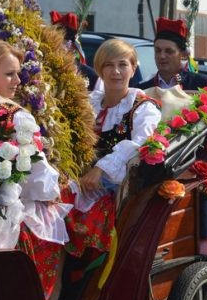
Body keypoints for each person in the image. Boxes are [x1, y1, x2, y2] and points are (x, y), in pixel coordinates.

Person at [0, 40, 72, 300]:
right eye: (9, 74)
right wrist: (54, 190)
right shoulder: (15, 116)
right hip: (6, 205)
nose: (18, 81)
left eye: (18, 73)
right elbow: (38, 179)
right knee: (60, 212)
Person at [62, 38, 161, 259]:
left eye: (122, 64)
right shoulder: (88, 103)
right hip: (79, 180)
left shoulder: (142, 107)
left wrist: (100, 169)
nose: (116, 71)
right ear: (99, 69)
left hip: (117, 190)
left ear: (133, 68)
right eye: (108, 65)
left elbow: (139, 144)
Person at [138, 17, 207, 255]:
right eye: (157, 50)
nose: (162, 56)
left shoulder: (203, 84)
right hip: (154, 175)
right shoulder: (142, 88)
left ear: (183, 54)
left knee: (198, 241)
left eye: (169, 51)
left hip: (193, 174)